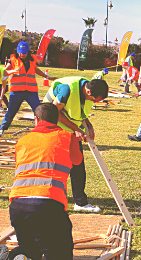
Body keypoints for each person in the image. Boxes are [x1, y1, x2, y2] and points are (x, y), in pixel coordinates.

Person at [0, 103, 85, 260]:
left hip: (17, 204)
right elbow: (77, 161)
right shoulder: (66, 136)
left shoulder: (23, 141)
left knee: (29, 248)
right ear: (57, 120)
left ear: (36, 119)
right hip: (48, 204)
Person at [43, 76, 109, 212]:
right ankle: (45, 198)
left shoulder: (86, 88)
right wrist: (76, 129)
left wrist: (88, 125)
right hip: (49, 124)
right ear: (89, 92)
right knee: (53, 165)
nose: (94, 102)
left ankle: (80, 202)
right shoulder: (67, 90)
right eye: (95, 100)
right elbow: (54, 113)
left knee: (77, 164)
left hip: (69, 127)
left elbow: (80, 109)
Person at [0, 41, 50, 138]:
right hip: (16, 92)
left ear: (27, 52)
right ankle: (2, 129)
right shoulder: (13, 60)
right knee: (11, 111)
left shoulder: (32, 59)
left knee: (39, 111)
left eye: (24, 52)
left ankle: (42, 131)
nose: (22, 54)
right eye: (20, 52)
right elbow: (4, 72)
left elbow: (36, 70)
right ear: (17, 51)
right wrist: (14, 71)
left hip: (31, 91)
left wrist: (46, 77)